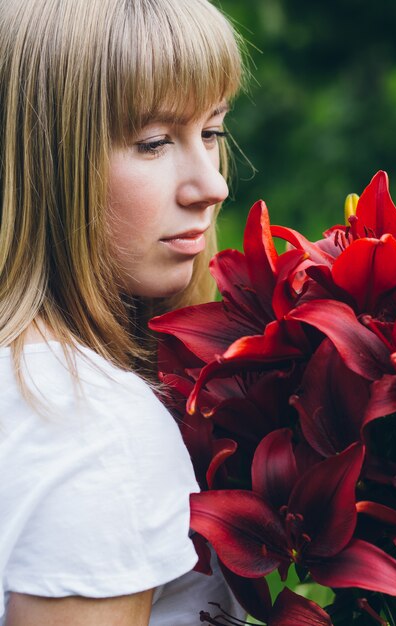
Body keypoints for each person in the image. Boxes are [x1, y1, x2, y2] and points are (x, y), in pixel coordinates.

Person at [0, 0, 246, 624]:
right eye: (155, 141)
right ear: (41, 163)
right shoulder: (95, 427)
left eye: (211, 131)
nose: (212, 185)